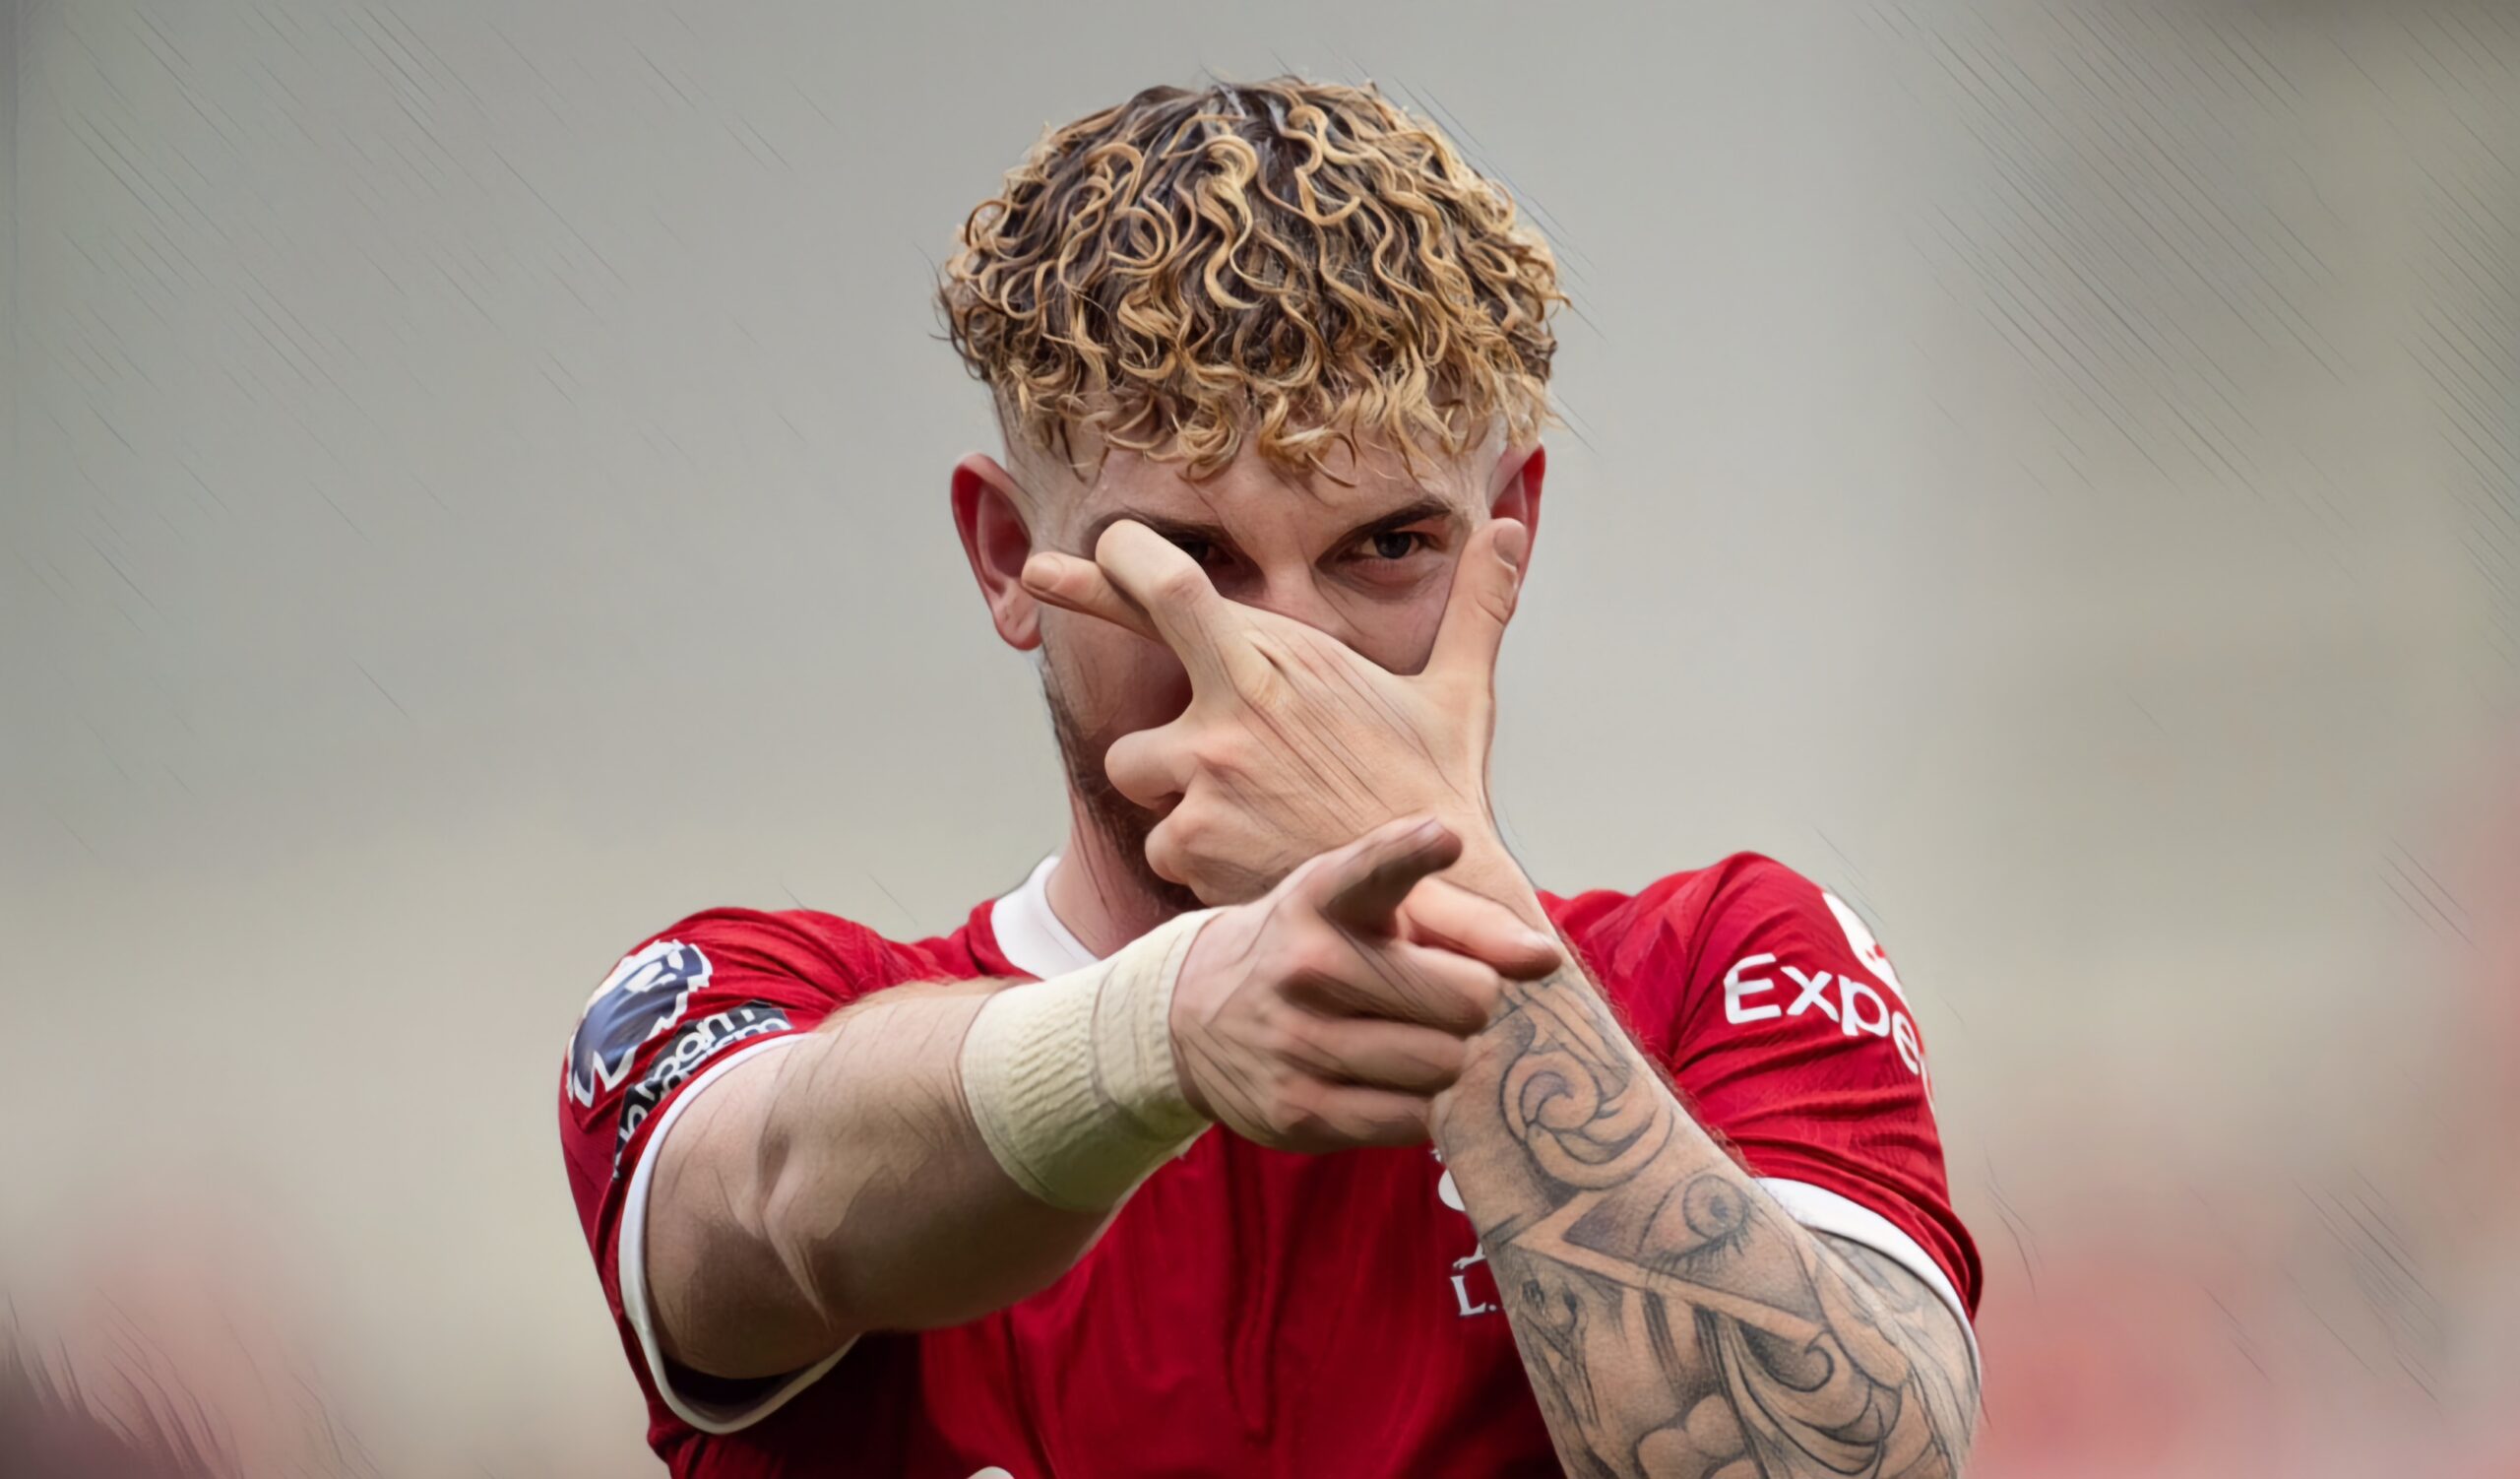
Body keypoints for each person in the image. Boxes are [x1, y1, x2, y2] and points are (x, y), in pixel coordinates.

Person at [558, 77, 1982, 1478]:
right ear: (1006, 557)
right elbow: (764, 1202)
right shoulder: (763, 996)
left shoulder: (1722, 970)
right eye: (1189, 563)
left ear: (1512, 533)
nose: (1287, 662)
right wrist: (1159, 1032)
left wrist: (1467, 953)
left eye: (1385, 548)